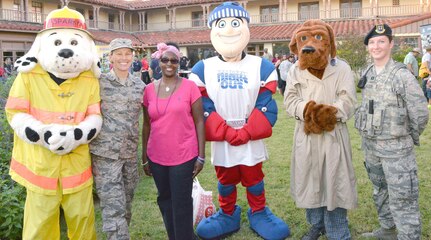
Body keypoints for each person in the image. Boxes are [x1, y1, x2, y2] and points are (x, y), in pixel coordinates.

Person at [189, 2, 290, 240]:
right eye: (222, 24)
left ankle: (258, 211)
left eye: (235, 24)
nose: (229, 30)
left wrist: (246, 131)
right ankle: (227, 212)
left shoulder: (262, 66)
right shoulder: (202, 69)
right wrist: (224, 131)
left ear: (245, 27)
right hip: (222, 138)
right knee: (225, 177)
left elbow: (266, 104)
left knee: (254, 175)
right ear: (213, 29)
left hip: (250, 133)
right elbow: (203, 106)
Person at [5, 7, 102, 239]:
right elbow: (15, 112)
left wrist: (76, 134)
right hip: (40, 167)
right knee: (39, 226)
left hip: (76, 167)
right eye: (57, 41)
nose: (66, 50)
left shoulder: (89, 79)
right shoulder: (28, 76)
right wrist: (41, 133)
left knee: (82, 223)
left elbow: (95, 116)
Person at [285, 19, 357, 240]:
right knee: (310, 180)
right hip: (306, 136)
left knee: (335, 180)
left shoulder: (341, 68)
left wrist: (328, 114)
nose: (309, 45)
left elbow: (349, 99)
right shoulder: (296, 70)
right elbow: (289, 100)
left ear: (329, 43)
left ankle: (337, 228)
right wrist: (307, 111)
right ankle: (316, 224)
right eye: (304, 39)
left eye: (317, 38)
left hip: (333, 135)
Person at [357, 24, 429, 240]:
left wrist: (406, 136)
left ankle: (409, 236)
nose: (376, 46)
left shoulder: (401, 75)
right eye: (372, 42)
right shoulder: (367, 72)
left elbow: (419, 113)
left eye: (381, 41)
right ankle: (387, 229)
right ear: (368, 47)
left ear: (391, 44)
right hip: (371, 147)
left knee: (403, 196)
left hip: (397, 150)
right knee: (380, 190)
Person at [142, 42, 205, 240]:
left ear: (179, 63)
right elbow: (146, 125)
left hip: (183, 155)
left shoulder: (190, 87)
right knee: (165, 201)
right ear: (158, 62)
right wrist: (144, 157)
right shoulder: (149, 90)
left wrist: (201, 156)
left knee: (181, 202)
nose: (169, 63)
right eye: (165, 60)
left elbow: (200, 122)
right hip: (157, 156)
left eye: (174, 60)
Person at [90, 38, 145, 240]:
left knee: (126, 203)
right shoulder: (99, 83)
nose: (124, 58)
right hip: (105, 155)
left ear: (133, 56)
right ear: (110, 56)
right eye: (119, 53)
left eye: (127, 53)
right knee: (113, 206)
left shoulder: (140, 85)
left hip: (129, 154)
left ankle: (121, 234)